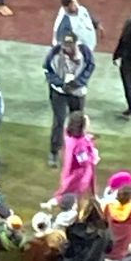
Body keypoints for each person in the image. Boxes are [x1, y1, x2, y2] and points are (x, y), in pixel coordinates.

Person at [43, 33, 95, 169]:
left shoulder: (84, 52)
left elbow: (90, 67)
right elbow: (47, 70)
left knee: (78, 122)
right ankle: (54, 152)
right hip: (59, 92)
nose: (67, 48)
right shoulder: (55, 52)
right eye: (65, 45)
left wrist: (78, 83)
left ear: (75, 44)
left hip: (77, 92)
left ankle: (79, 152)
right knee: (59, 121)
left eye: (70, 45)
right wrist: (61, 84)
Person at [55, 111, 99, 198]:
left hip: (70, 170)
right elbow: (84, 162)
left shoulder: (69, 137)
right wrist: (93, 157)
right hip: (79, 175)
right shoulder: (80, 145)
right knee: (74, 194)